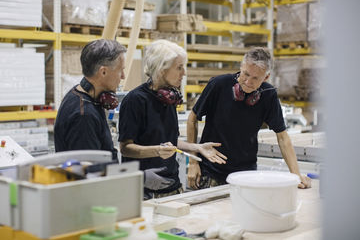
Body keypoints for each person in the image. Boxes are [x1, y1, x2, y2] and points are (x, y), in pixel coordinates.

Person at [54, 39, 173, 191]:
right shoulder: (83, 116)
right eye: (120, 70)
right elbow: (90, 173)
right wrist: (138, 177)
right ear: (103, 72)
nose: (123, 76)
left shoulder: (82, 96)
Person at [186, 47, 312, 190]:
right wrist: (193, 162)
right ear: (241, 67)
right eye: (245, 74)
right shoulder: (219, 85)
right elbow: (192, 119)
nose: (247, 81)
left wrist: (296, 176)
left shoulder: (268, 96)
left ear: (265, 77)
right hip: (211, 173)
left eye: (255, 78)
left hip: (246, 176)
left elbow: (282, 137)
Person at [118, 40, 227, 199]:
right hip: (145, 191)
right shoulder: (135, 100)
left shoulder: (168, 99)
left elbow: (170, 142)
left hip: (172, 187)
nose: (184, 73)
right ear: (162, 69)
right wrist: (156, 151)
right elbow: (126, 147)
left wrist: (196, 147)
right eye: (179, 67)